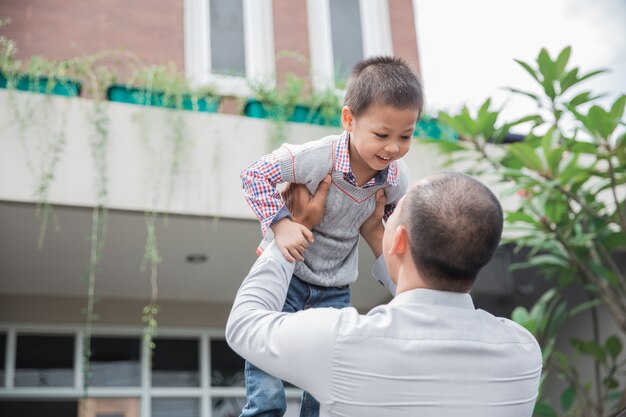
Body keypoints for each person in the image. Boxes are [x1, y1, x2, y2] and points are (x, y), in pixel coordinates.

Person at [227, 172, 543, 417]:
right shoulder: (521, 351)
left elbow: (244, 324)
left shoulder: (343, 341)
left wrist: (293, 229)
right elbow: (432, 291)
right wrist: (380, 236)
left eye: (393, 217)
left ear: (401, 239)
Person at [239, 56, 423, 417]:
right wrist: (281, 223)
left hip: (334, 287)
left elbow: (396, 236)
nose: (393, 148)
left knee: (328, 374)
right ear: (349, 119)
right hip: (288, 274)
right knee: (266, 367)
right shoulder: (314, 158)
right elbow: (254, 176)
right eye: (382, 135)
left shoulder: (395, 178)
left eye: (406, 136)